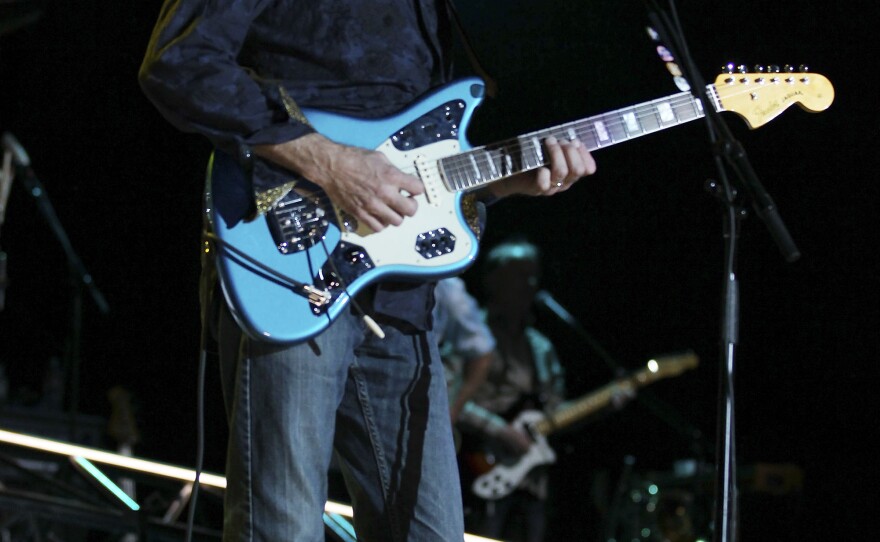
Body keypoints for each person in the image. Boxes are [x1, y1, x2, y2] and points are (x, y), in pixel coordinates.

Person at [138, 2, 596, 540]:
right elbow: (179, 61)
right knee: (283, 528)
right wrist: (331, 163)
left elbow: (414, 158)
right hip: (292, 264)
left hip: (400, 301)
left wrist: (506, 181)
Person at [454, 239, 565, 542]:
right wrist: (499, 430)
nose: (529, 283)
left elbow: (556, 411)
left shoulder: (541, 348)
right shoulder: (470, 333)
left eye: (533, 275)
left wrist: (606, 404)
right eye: (519, 274)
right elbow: (447, 399)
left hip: (531, 479)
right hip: (478, 464)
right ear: (492, 279)